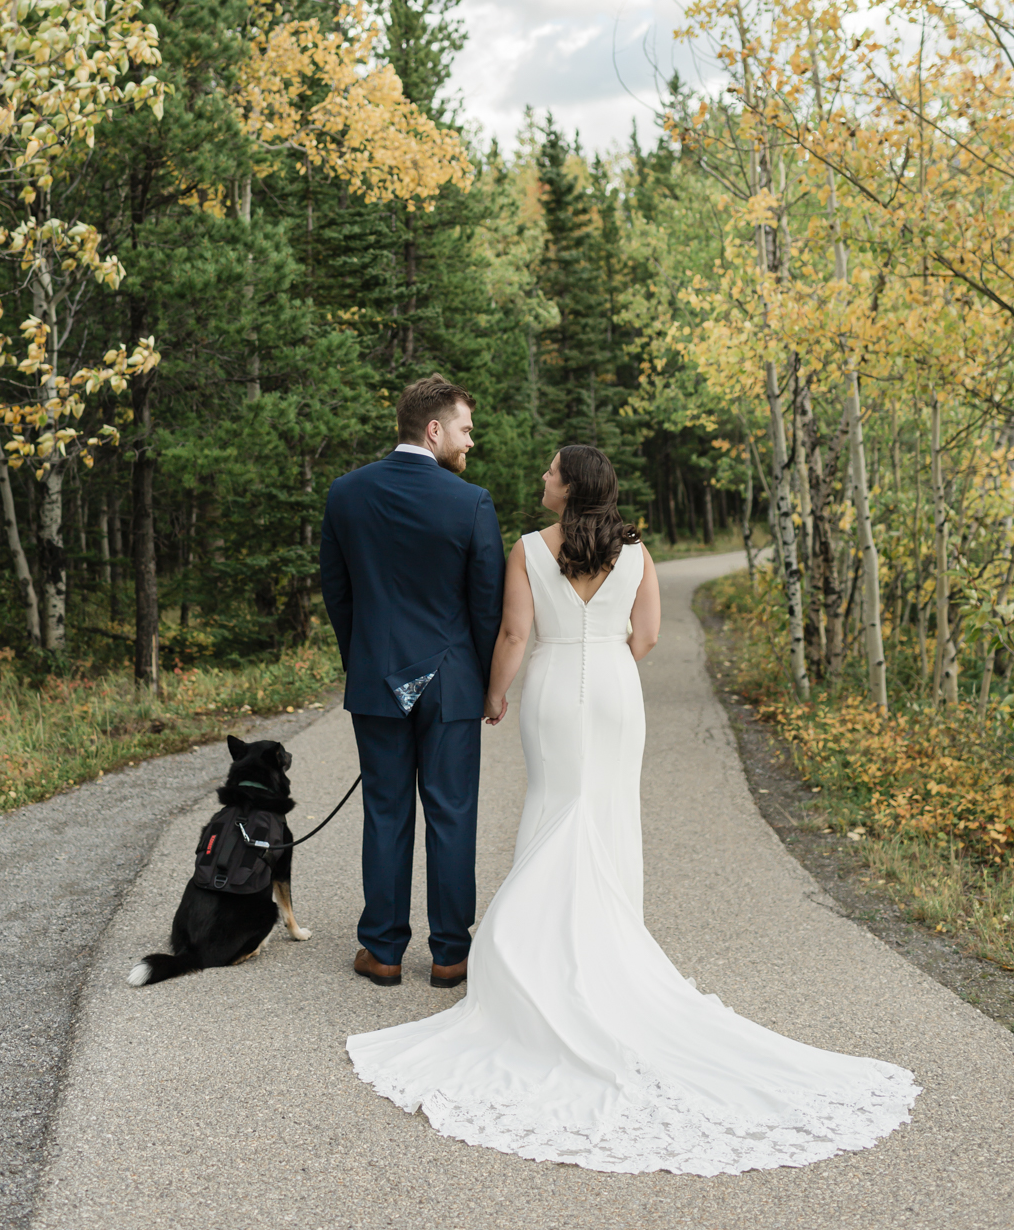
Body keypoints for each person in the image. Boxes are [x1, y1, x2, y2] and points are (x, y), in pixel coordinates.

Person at [347, 444, 919, 1175]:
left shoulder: (528, 549)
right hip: (616, 693)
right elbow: (645, 638)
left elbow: (516, 636)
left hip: (553, 692)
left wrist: (494, 693)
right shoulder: (638, 553)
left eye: (549, 470)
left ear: (569, 486)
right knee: (606, 812)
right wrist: (605, 655)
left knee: (557, 810)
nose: (542, 477)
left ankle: (544, 949)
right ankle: (611, 943)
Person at [319, 373, 506, 989]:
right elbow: (486, 607)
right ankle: (451, 955)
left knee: (386, 812)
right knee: (452, 814)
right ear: (434, 429)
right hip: (451, 683)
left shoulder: (345, 494)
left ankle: (383, 951)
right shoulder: (470, 502)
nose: (469, 443)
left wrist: (368, 664)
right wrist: (482, 683)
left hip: (376, 679)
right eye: (464, 429)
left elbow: (338, 594)